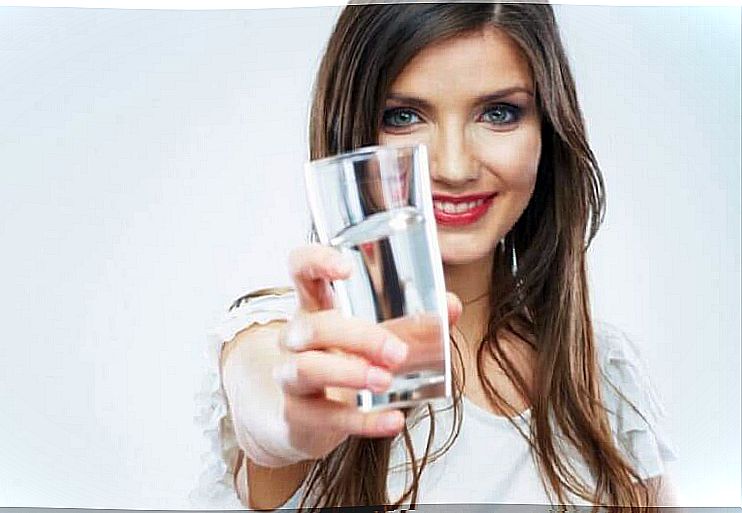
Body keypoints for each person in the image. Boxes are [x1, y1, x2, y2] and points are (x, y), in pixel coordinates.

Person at [194, 2, 679, 511]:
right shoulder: (296, 342)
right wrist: (290, 423)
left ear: (547, 132)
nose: (452, 167)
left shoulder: (601, 367)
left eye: (498, 113)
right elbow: (267, 401)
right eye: (403, 117)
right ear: (352, 133)